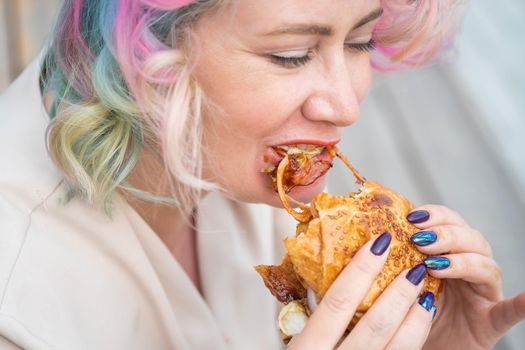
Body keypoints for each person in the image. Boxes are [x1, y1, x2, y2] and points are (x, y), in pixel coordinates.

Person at [0, 0, 523, 349]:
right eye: (290, 55)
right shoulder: (17, 302)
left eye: (360, 41)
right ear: (145, 51)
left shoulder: (240, 159)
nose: (346, 106)